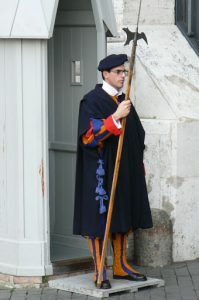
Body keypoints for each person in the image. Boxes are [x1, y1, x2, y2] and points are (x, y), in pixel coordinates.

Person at [73, 54, 153, 289]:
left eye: (124, 72)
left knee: (123, 215)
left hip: (126, 169)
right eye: (118, 72)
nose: (122, 76)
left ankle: (120, 265)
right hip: (100, 171)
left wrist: (138, 165)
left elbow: (137, 135)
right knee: (99, 220)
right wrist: (115, 118)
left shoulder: (124, 99)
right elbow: (89, 135)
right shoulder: (92, 100)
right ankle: (100, 270)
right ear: (105, 74)